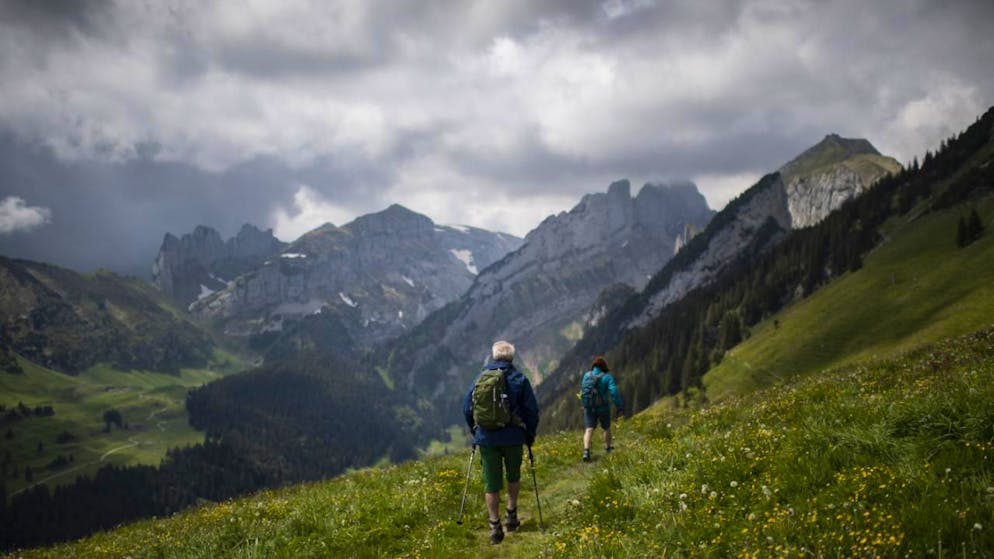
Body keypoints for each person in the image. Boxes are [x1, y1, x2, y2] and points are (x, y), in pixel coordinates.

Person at [463, 340, 539, 544]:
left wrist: (476, 432)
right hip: (514, 437)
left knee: (491, 483)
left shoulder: (481, 378)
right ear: (512, 357)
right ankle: (511, 515)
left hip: (487, 438)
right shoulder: (519, 379)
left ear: (494, 356)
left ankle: (494, 525)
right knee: (513, 475)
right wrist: (529, 435)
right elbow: (532, 410)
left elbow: (467, 408)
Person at [581, 356, 623, 462]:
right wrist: (618, 405)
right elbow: (613, 391)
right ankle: (608, 448)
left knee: (589, 429)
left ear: (594, 366)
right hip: (603, 408)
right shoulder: (607, 377)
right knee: (606, 428)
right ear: (604, 367)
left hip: (589, 407)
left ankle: (586, 451)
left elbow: (583, 390)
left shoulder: (586, 375)